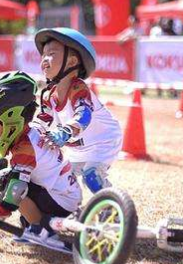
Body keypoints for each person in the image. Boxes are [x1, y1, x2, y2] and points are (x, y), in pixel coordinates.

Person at [0, 71, 82, 254]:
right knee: (11, 180)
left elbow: (16, 191)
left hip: (61, 201)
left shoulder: (24, 148)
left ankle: (43, 232)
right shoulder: (31, 132)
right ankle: (37, 222)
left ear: (10, 118)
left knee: (9, 183)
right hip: (65, 194)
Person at [35, 27, 123, 194]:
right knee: (60, 179)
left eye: (51, 54)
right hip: (77, 148)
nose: (44, 60)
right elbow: (41, 122)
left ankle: (112, 208)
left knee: (91, 177)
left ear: (72, 62)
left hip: (102, 142)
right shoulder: (49, 96)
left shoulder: (78, 88)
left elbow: (84, 115)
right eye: (43, 55)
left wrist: (65, 132)